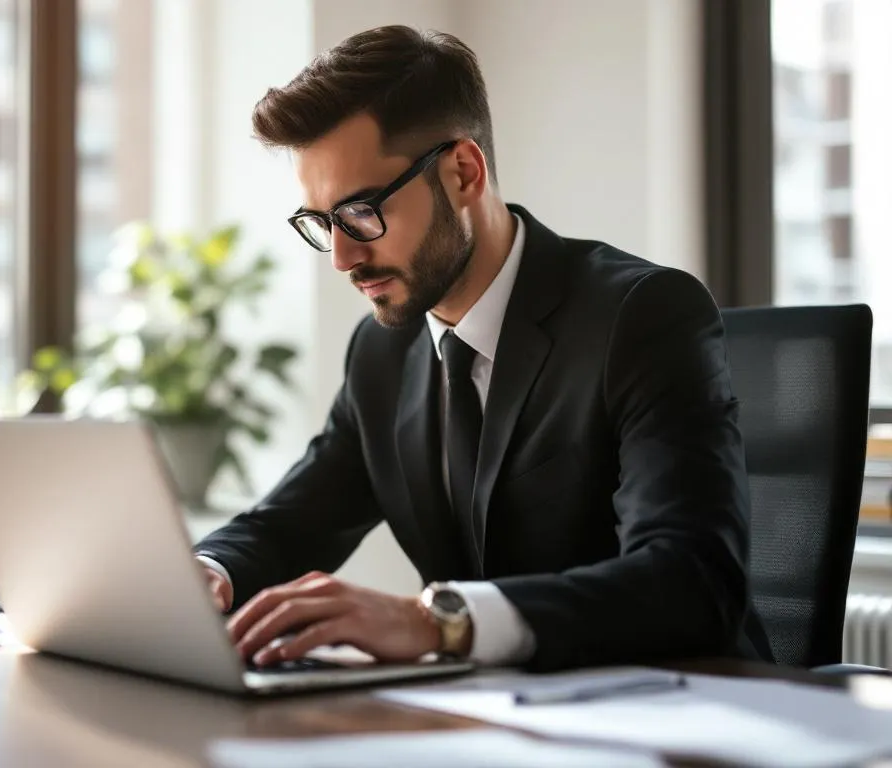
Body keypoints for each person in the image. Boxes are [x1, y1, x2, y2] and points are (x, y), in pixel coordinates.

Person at [192, 25, 773, 672]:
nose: (342, 257)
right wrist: (202, 573)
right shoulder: (383, 355)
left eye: (359, 212)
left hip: (683, 716)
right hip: (494, 724)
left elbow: (692, 582)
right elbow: (289, 526)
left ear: (463, 173)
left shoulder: (642, 316)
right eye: (321, 223)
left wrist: (434, 621)